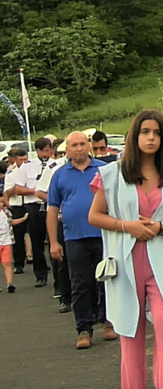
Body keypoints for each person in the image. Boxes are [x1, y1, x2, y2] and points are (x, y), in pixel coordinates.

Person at [88, 109, 163, 389]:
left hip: (161, 264)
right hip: (125, 263)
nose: (151, 138)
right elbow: (95, 216)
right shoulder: (112, 174)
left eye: (157, 133)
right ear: (134, 137)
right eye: (145, 132)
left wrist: (161, 227)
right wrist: (126, 225)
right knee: (130, 333)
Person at [48, 132, 116, 349]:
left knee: (108, 281)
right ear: (66, 150)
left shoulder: (104, 170)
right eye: (73, 145)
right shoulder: (59, 175)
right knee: (80, 284)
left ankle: (108, 322)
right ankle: (84, 329)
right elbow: (52, 210)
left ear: (89, 146)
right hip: (74, 237)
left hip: (103, 235)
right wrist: (54, 242)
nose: (78, 148)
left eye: (82, 144)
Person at [36, 139, 72, 312]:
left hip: (87, 221)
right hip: (62, 220)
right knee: (62, 261)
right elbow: (40, 191)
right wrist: (57, 205)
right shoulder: (55, 168)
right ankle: (64, 296)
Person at [14, 137, 54, 287]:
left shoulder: (56, 164)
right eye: (42, 151)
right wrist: (37, 191)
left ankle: (59, 276)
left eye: (48, 150)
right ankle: (41, 275)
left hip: (51, 205)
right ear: (37, 151)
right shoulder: (27, 166)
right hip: (34, 205)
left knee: (54, 240)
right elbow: (18, 189)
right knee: (36, 242)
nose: (45, 154)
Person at [4, 148, 28, 276]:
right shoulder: (11, 174)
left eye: (25, 159)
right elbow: (7, 193)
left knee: (36, 235)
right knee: (18, 237)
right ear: (15, 160)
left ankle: (39, 262)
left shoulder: (32, 172)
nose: (24, 162)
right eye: (21, 160)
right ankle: (19, 263)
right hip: (17, 206)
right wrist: (18, 187)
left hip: (30, 204)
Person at [0, 205, 27, 293]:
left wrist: (23, 219)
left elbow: (11, 222)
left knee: (7, 263)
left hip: (6, 242)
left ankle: (9, 283)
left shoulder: (6, 212)